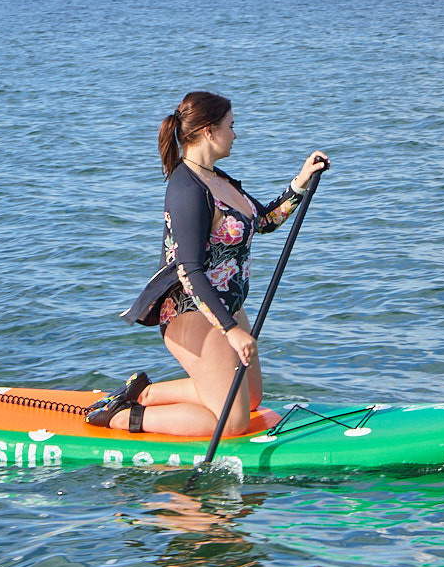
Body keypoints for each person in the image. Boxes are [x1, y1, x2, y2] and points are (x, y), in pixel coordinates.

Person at [87, 90, 328, 437]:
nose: (235, 134)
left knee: (251, 398)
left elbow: (263, 221)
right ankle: (122, 417)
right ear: (209, 131)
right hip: (192, 313)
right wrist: (231, 330)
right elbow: (188, 270)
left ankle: (144, 393)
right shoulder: (186, 189)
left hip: (226, 306)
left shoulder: (218, 179)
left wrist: (301, 182)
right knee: (232, 422)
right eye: (231, 125)